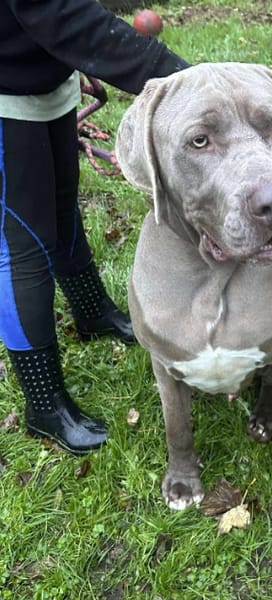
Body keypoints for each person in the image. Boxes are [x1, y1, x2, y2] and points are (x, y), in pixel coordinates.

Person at [0, 0, 191, 455]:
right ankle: (44, 405)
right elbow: (61, 13)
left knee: (62, 207)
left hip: (42, 77)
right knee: (23, 243)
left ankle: (92, 313)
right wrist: (182, 79)